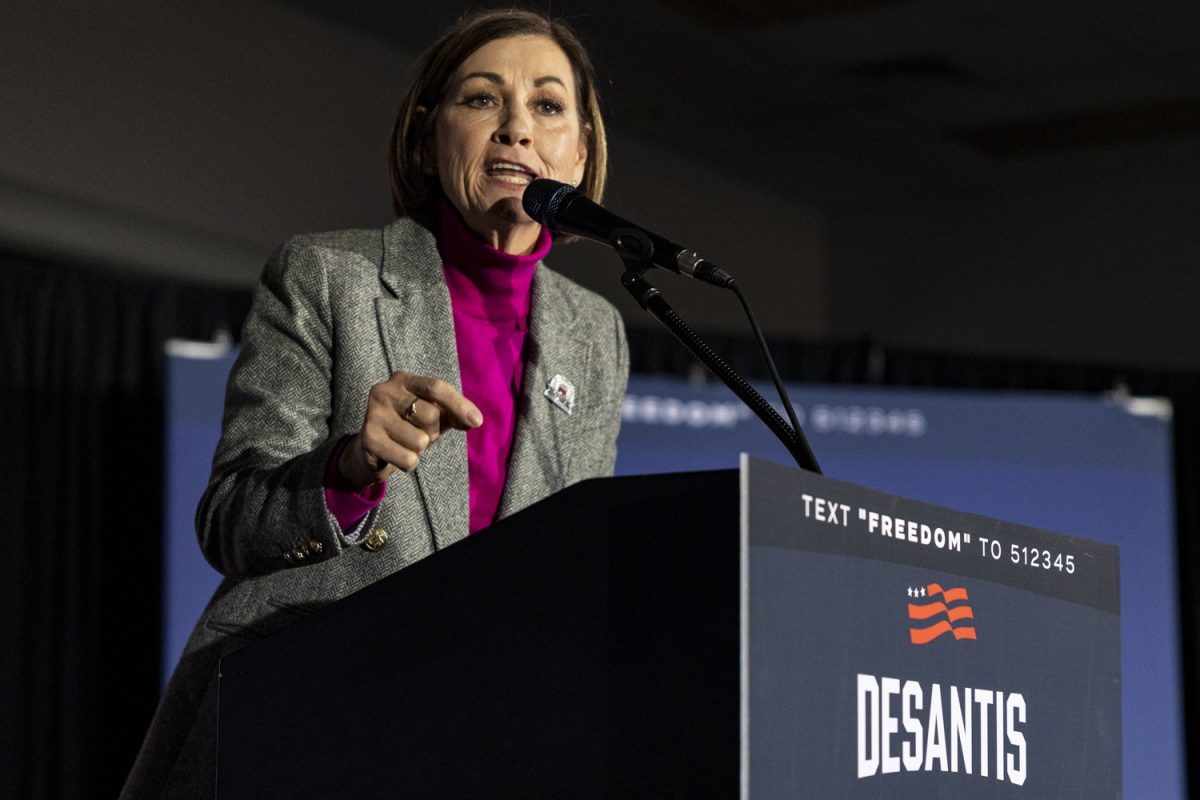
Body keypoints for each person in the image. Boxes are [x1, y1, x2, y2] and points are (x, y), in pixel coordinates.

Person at [120, 9, 628, 798]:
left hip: (486, 741)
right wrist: (350, 468)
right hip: (310, 721)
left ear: (581, 150)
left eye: (549, 105)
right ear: (429, 138)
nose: (517, 129)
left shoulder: (595, 335)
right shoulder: (330, 278)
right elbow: (229, 519)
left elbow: (571, 573)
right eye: (483, 100)